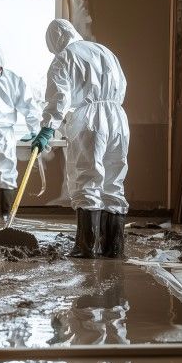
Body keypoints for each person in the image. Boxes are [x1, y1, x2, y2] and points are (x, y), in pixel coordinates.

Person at [29, 19, 129, 258]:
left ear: (56, 40)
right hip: (118, 117)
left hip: (89, 120)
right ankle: (113, 247)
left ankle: (86, 247)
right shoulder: (105, 51)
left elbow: (59, 98)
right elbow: (123, 84)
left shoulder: (65, 57)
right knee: (113, 181)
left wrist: (47, 128)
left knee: (87, 178)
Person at [0, 43, 44, 223]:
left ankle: (6, 216)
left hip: (4, 133)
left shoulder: (14, 81)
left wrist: (35, 130)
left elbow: (29, 107)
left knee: (7, 173)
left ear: (2, 65)